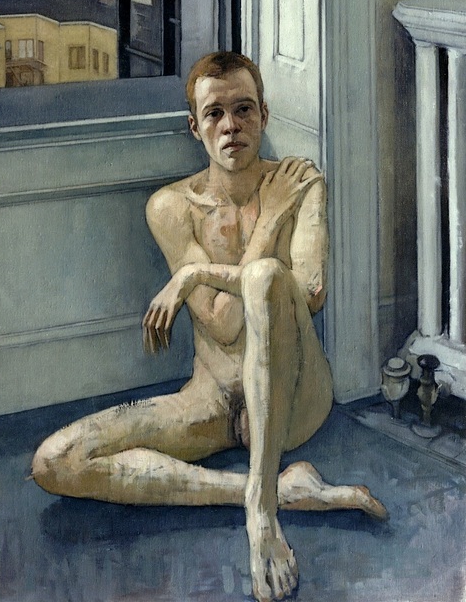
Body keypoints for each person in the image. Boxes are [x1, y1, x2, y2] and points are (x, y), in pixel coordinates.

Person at [32, 52, 387, 602]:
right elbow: (222, 324)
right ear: (194, 127)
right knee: (55, 460)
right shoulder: (172, 207)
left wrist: (198, 272)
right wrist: (268, 225)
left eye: (243, 110)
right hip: (213, 401)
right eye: (215, 113)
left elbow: (310, 294)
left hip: (295, 397)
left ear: (264, 114)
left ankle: (262, 516)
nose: (231, 126)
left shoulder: (300, 182)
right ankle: (273, 489)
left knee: (267, 278)